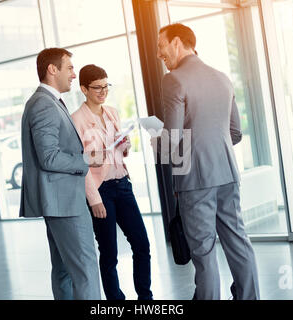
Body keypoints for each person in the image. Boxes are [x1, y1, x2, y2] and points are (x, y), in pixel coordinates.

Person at [155, 23, 260, 300]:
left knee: (203, 252)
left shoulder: (173, 79)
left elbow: (172, 139)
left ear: (177, 42)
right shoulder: (222, 77)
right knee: (238, 243)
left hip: (194, 180)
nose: (159, 54)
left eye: (161, 46)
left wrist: (155, 139)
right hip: (227, 174)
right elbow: (235, 132)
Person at [19, 48, 102, 300]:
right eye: (69, 68)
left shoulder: (48, 101)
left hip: (59, 201)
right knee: (86, 269)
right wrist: (86, 159)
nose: (74, 74)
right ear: (52, 70)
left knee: (64, 270)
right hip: (65, 202)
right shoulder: (44, 104)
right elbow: (49, 157)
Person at [71, 64, 153, 300]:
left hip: (123, 185)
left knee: (141, 244)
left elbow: (118, 151)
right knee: (109, 253)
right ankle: (115, 301)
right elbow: (81, 164)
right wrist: (94, 200)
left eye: (106, 85)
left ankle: (145, 298)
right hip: (102, 190)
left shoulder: (112, 112)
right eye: (97, 87)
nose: (103, 91)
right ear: (84, 89)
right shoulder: (77, 120)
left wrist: (124, 144)